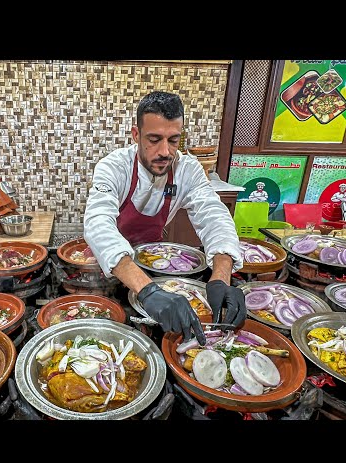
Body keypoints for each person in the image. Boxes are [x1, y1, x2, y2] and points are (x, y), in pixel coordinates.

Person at [84, 91, 246, 346]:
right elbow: (98, 223)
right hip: (111, 266)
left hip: (156, 265)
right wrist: (147, 290)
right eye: (154, 139)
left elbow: (213, 215)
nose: (165, 151)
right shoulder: (114, 167)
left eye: (173, 140)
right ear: (136, 135)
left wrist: (221, 276)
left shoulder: (187, 169)